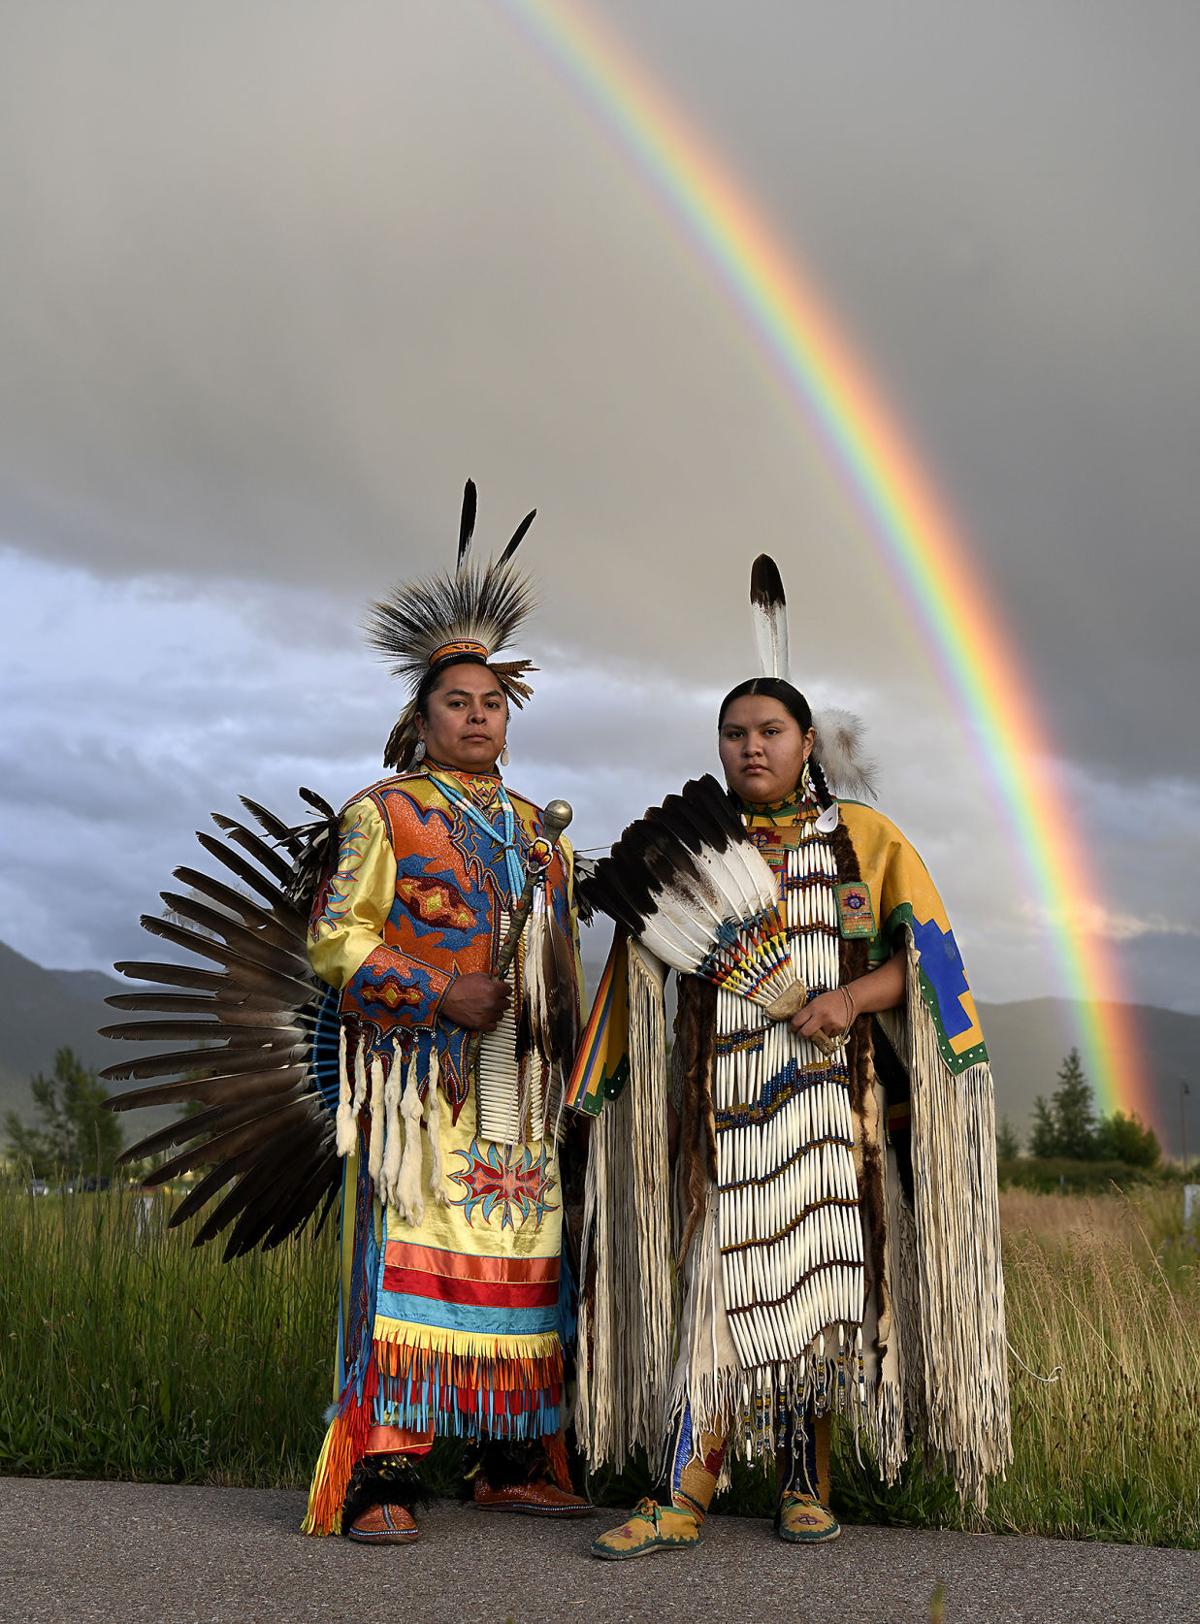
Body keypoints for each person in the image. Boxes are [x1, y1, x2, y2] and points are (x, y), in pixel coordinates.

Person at [100, 482, 589, 1545]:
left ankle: (511, 1460)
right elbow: (338, 938)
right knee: (412, 1261)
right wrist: (440, 988)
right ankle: (383, 1475)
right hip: (416, 1086)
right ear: (420, 718)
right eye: (456, 701)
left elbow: (556, 955)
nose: (477, 715)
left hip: (517, 1088)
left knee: (525, 1261)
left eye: (492, 701)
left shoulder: (538, 833)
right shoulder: (386, 815)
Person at [569, 554, 1009, 1558]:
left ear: (808, 742)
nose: (751, 746)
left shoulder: (867, 839)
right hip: (720, 1110)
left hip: (831, 1113)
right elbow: (635, 972)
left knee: (822, 1286)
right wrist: (597, 1093)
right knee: (719, 1285)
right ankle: (683, 1489)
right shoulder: (694, 853)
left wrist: (849, 997)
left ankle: (805, 1482)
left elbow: (929, 965)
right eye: (735, 733)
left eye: (770, 730)